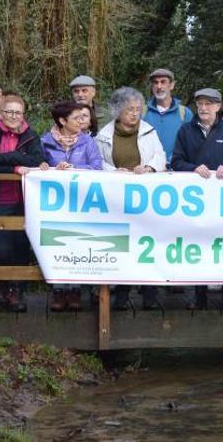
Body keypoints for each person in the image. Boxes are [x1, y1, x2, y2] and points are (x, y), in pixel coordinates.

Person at [0, 93, 45, 312]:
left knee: (22, 248)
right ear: (1, 114)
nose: (13, 116)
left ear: (23, 114)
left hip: (25, 202)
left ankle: (17, 292)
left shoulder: (31, 135)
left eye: (18, 112)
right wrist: (14, 168)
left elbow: (38, 161)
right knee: (3, 249)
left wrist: (4, 157)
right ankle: (2, 288)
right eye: (9, 112)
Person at [96, 87, 166, 310]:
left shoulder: (149, 131)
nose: (135, 114)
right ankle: (122, 294)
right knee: (122, 245)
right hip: (117, 199)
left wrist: (149, 167)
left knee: (148, 243)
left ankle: (150, 294)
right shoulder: (104, 135)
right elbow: (98, 162)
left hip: (146, 198)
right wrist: (113, 172)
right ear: (118, 111)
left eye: (138, 109)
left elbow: (160, 156)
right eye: (129, 110)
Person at [172, 88, 223, 310]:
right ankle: (199, 294)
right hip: (196, 200)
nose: (203, 108)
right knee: (198, 242)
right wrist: (193, 168)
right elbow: (176, 161)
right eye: (200, 104)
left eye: (208, 104)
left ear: (218, 107)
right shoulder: (185, 130)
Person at [40, 101, 104, 312]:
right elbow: (38, 165)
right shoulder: (45, 141)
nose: (81, 121)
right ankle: (58, 290)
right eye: (76, 118)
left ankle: (75, 289)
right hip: (55, 203)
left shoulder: (88, 142)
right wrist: (52, 168)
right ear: (62, 121)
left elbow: (97, 166)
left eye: (82, 118)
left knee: (77, 241)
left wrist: (74, 168)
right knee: (56, 242)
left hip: (82, 202)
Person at [143, 68, 194, 165]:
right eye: (155, 82)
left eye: (163, 82)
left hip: (176, 171)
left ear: (171, 85)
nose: (159, 86)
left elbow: (191, 144)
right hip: (148, 171)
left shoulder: (184, 113)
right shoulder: (142, 112)